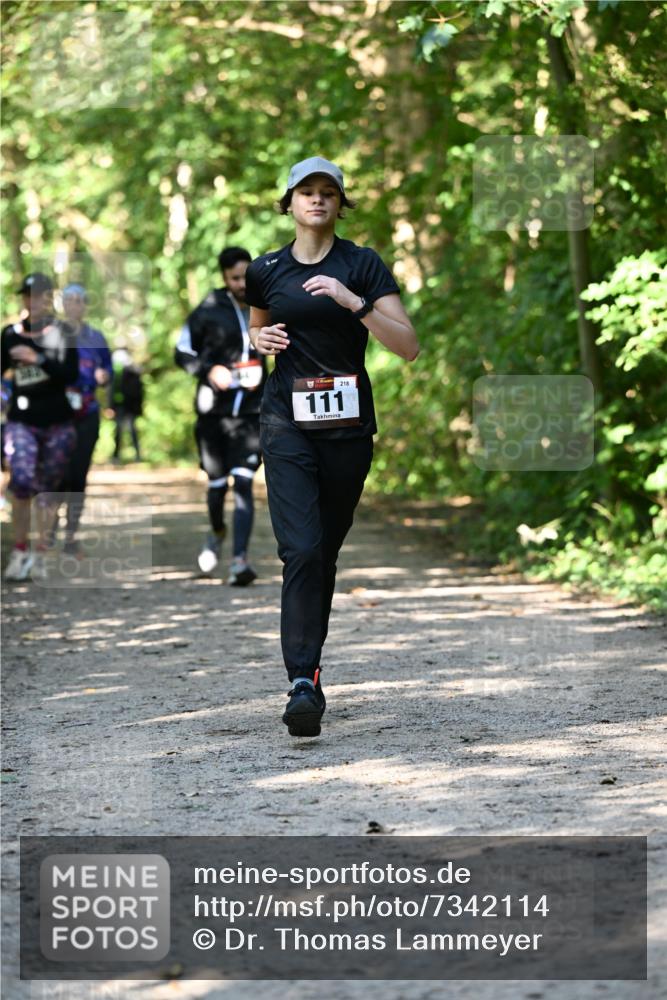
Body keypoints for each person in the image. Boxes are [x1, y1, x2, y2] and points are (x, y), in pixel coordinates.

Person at [245, 156, 419, 737]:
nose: (317, 199)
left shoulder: (362, 264)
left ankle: (309, 668)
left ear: (341, 203)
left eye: (328, 191)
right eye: (306, 191)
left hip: (347, 430)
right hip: (285, 423)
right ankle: (302, 680)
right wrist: (259, 339)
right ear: (289, 203)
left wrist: (354, 302)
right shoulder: (266, 269)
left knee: (322, 553)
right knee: (301, 549)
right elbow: (257, 327)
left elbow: (408, 345)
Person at [175, 246, 267, 585]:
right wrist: (209, 369)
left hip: (252, 414)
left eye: (246, 276)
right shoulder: (209, 308)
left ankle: (240, 561)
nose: (242, 284)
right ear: (225, 278)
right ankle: (216, 531)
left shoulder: (266, 302)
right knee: (217, 487)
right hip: (214, 414)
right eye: (235, 278)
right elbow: (181, 351)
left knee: (243, 482)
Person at [1, 272, 78, 581]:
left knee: (48, 490)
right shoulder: (10, 334)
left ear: (48, 298)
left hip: (58, 422)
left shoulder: (63, 332)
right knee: (21, 482)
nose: (31, 301)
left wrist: (38, 358)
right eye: (27, 295)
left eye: (38, 295)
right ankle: (20, 550)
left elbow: (70, 374)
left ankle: (41, 553)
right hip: (21, 421)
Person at [53, 283, 113, 555]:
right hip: (57, 413)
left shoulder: (95, 337)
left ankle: (71, 535)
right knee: (57, 474)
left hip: (87, 412)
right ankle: (49, 529)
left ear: (85, 305)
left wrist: (104, 377)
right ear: (63, 304)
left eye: (79, 300)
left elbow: (108, 371)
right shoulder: (52, 334)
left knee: (77, 476)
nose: (74, 305)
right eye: (69, 300)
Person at [111, 347, 143, 462]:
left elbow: (138, 392)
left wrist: (137, 407)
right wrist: (111, 406)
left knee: (131, 430)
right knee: (118, 431)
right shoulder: (116, 372)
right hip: (119, 406)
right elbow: (112, 390)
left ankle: (137, 455)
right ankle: (116, 456)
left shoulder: (133, 372)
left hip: (130, 407)